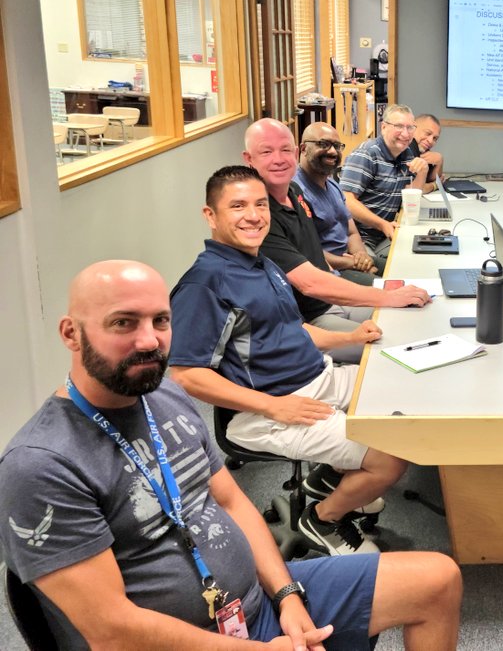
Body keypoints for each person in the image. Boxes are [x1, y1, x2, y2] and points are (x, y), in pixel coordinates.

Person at [0, 259, 462, 650]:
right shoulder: (41, 464)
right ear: (71, 333)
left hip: (256, 604)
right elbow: (111, 632)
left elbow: (231, 501)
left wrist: (288, 594)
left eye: (160, 321)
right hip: (184, 642)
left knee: (437, 580)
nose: (149, 340)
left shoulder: (164, 398)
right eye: (123, 323)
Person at [169, 166, 407, 557]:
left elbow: (294, 330)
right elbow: (186, 375)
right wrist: (273, 406)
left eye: (260, 205)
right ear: (210, 215)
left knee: (401, 393)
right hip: (266, 411)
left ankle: (332, 477)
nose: (253, 215)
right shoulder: (204, 284)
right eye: (238, 206)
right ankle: (323, 519)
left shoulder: (262, 263)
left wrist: (350, 338)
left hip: (316, 379)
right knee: (392, 455)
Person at [243, 118, 430, 365]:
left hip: (333, 300)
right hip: (311, 320)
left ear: (296, 152)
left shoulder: (294, 193)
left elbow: (320, 255)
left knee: (415, 320)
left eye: (285, 150)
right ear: (249, 159)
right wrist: (387, 296)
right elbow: (310, 284)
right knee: (398, 350)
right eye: (266, 152)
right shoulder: (260, 216)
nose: (278, 159)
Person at [293, 121, 382, 283]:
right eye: (324, 144)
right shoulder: (295, 192)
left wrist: (361, 255)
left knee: (401, 270)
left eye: (337, 146)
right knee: (387, 288)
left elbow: (351, 232)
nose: (333, 151)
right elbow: (308, 253)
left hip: (350, 258)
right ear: (304, 149)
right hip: (328, 270)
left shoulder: (333, 184)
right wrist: (354, 264)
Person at [340, 104, 432, 261]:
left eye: (410, 128)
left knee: (423, 253)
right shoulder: (366, 154)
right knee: (382, 269)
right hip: (358, 238)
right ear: (383, 127)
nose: (405, 133)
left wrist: (423, 172)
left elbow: (410, 198)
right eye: (399, 126)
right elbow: (346, 200)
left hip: (384, 235)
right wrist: (382, 224)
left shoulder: (406, 153)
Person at [409, 113, 444, 186]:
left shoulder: (422, 150)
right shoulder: (409, 145)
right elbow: (413, 188)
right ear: (413, 128)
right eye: (428, 133)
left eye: (435, 138)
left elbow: (430, 179)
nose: (430, 141)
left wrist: (440, 161)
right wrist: (435, 185)